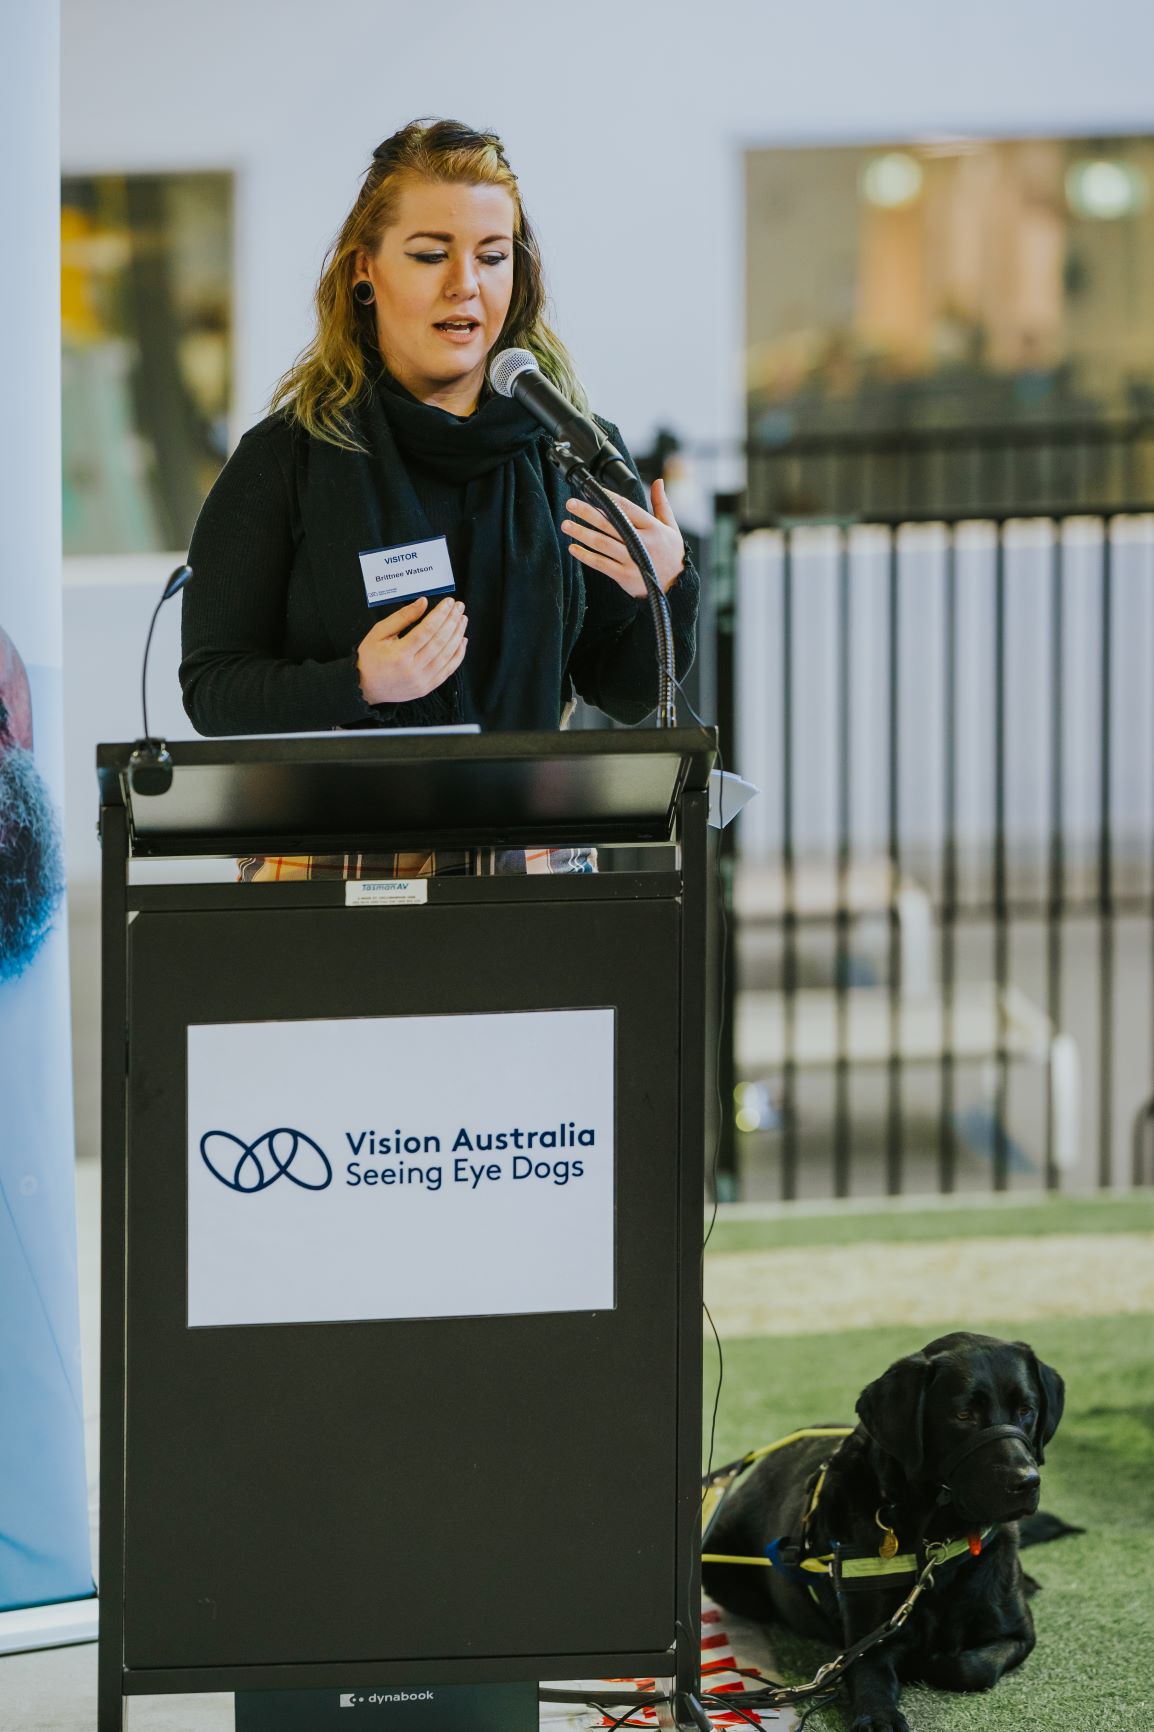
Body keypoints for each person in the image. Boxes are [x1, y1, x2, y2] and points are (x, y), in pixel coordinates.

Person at [179, 118, 698, 879]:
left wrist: (665, 585)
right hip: (337, 862)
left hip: (537, 856)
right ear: (365, 270)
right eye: (430, 254)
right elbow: (213, 689)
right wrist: (356, 681)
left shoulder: (571, 451)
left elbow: (622, 691)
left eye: (492, 256)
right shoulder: (289, 457)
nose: (466, 284)